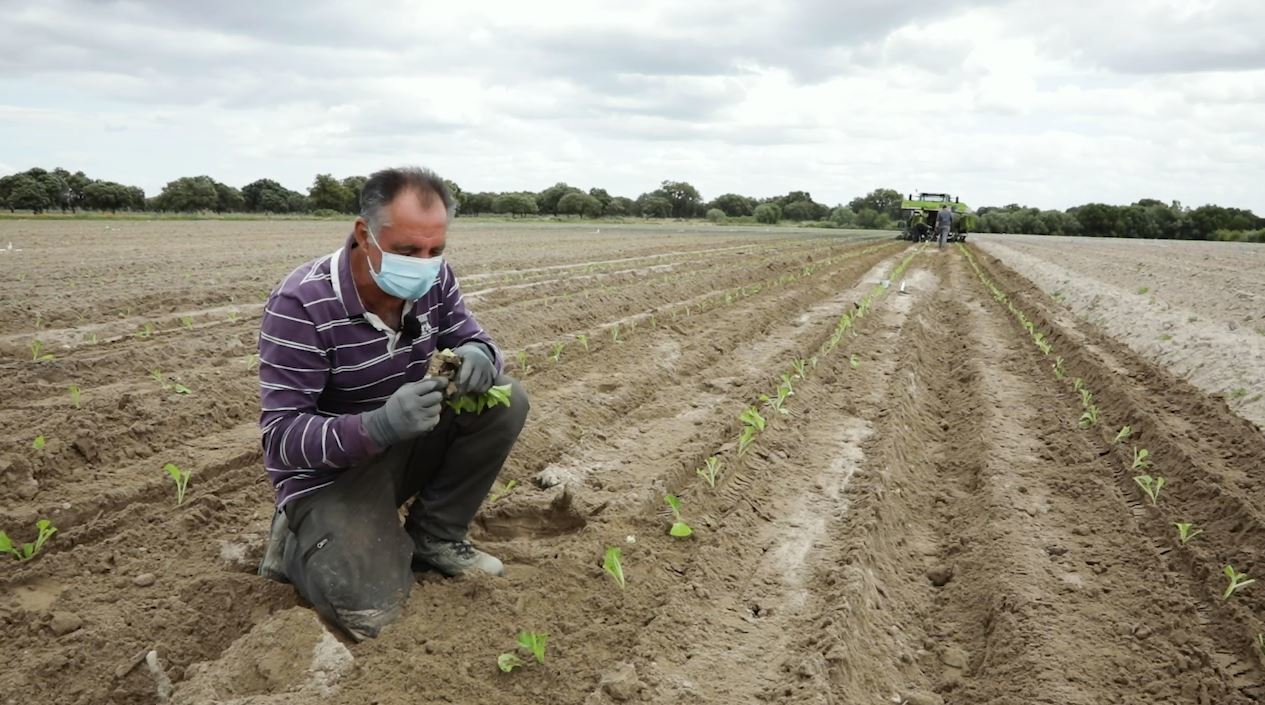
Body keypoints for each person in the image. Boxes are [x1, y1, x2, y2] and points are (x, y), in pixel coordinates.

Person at [254, 166, 529, 641]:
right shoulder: (302, 303)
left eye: (435, 250)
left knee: (504, 398)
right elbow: (281, 439)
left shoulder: (434, 281)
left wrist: (480, 355)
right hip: (329, 477)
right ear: (365, 233)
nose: (425, 263)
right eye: (408, 251)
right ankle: (296, 540)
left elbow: (473, 337)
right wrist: (376, 426)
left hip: (400, 443)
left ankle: (435, 537)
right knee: (373, 614)